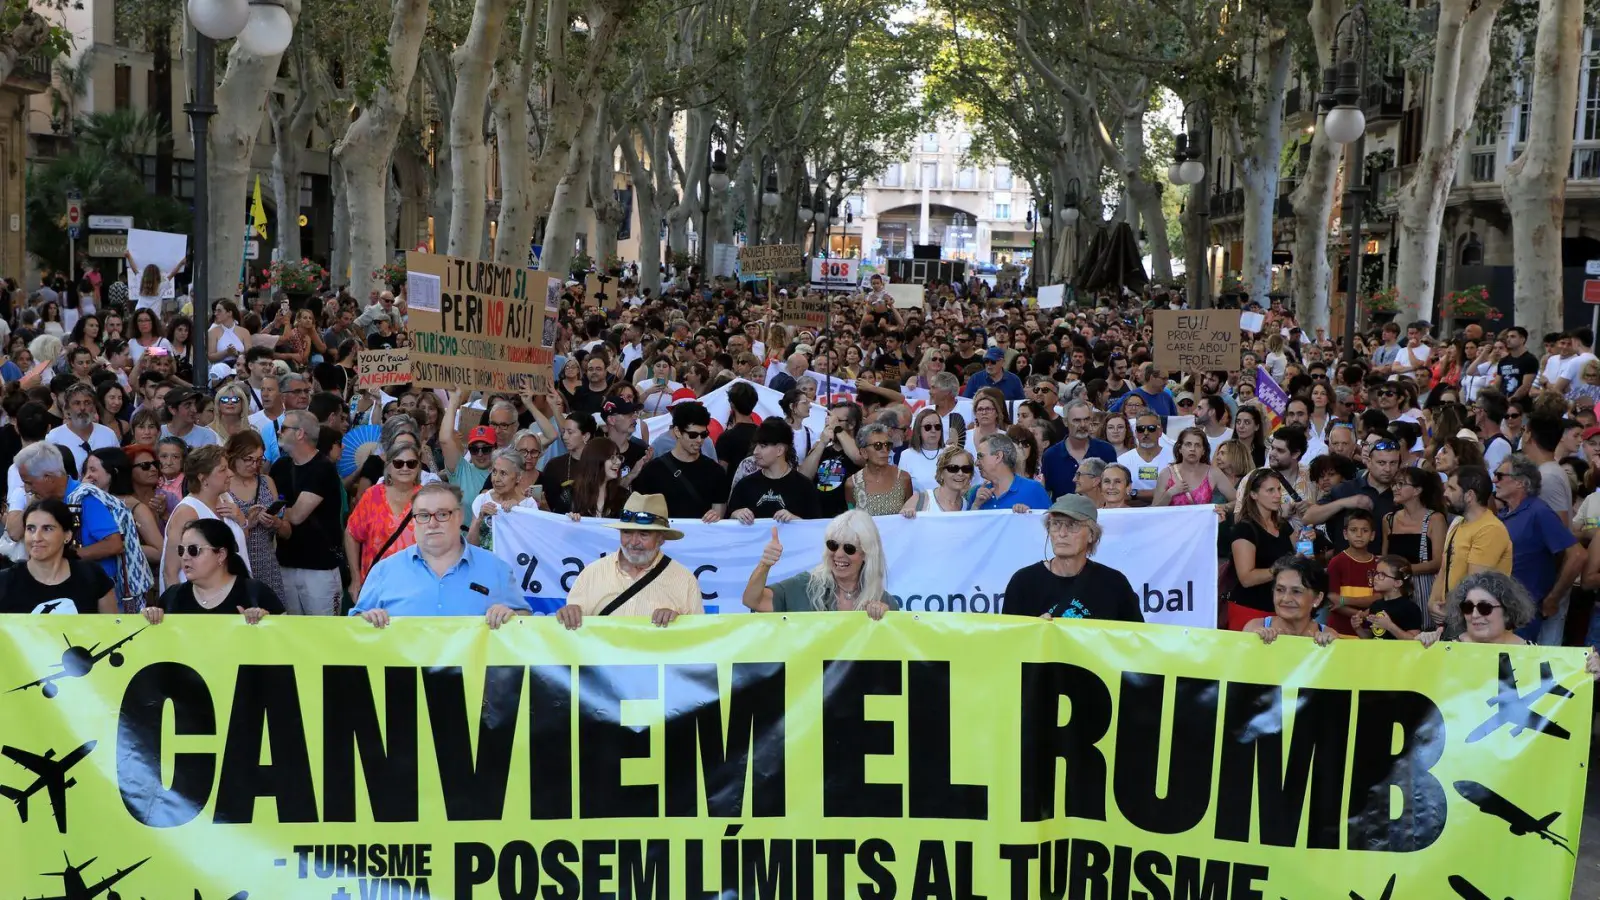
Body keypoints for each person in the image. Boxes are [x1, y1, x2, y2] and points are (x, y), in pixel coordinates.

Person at [352, 483, 530, 627]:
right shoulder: (384, 571)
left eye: (442, 514)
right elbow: (352, 629)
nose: (432, 523)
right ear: (414, 521)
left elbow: (528, 624)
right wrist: (366, 619)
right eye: (423, 515)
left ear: (459, 517)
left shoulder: (496, 568)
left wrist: (512, 617)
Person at [556, 493, 703, 627]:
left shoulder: (685, 581)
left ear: (661, 539)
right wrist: (570, 614)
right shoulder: (592, 573)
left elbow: (697, 638)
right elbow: (573, 635)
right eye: (627, 532)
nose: (633, 542)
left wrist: (678, 623)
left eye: (643, 534)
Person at [1001, 494, 1143, 621]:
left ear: (1091, 535)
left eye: (1072, 525)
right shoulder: (1023, 582)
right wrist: (1034, 631)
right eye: (1056, 524)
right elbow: (1009, 642)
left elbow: (1135, 641)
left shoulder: (1114, 584)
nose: (1062, 533)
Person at [1491, 454, 1583, 644]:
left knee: (1514, 669)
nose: (1494, 480)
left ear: (1519, 483)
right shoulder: (1504, 514)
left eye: (1499, 475)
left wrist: (1553, 598)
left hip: (1522, 613)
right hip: (1498, 608)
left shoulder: (1539, 511)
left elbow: (1578, 555)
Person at [742, 510, 895, 616]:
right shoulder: (804, 586)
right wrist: (764, 565)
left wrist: (886, 619)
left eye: (849, 548)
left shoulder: (884, 601)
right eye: (833, 545)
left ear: (866, 553)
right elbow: (752, 601)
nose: (839, 554)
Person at [269, 410, 344, 615]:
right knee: (292, 635)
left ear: (300, 433)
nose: (279, 432)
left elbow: (297, 516)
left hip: (319, 568)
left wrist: (277, 514)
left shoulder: (323, 468)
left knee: (324, 635)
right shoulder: (280, 467)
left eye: (284, 428)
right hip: (286, 563)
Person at [143, 519, 282, 623]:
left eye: (193, 550)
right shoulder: (172, 597)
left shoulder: (256, 593)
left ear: (221, 555)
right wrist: (151, 617)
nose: (185, 557)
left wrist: (266, 622)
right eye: (181, 550)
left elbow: (287, 640)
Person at [160, 444, 249, 593]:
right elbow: (170, 571)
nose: (230, 474)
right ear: (203, 478)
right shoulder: (187, 513)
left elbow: (239, 544)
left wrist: (241, 520)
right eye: (222, 470)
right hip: (199, 602)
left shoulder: (226, 499)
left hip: (235, 592)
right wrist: (179, 609)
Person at [345, 435, 425, 602]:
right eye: (398, 463)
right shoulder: (372, 495)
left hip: (416, 588)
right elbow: (352, 534)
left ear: (418, 467)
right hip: (375, 586)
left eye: (411, 463)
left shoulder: (427, 498)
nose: (405, 468)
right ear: (388, 466)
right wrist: (355, 578)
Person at [1428, 466, 1514, 621]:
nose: (1445, 493)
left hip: (1479, 620)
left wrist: (1451, 612)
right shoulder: (1457, 522)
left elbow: (1474, 583)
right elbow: (1444, 568)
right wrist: (1432, 602)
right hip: (1454, 616)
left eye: (1452, 488)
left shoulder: (1490, 529)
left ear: (1469, 495)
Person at [0, 499, 115, 614]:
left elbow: (112, 628)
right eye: (30, 529)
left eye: (47, 529)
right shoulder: (5, 582)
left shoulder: (92, 575)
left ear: (67, 535)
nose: (36, 537)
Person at [630, 401, 728, 522]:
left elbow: (719, 514)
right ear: (677, 432)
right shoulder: (653, 471)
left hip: (702, 538)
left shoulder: (716, 472)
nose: (699, 440)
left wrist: (715, 517)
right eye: (693, 435)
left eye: (704, 434)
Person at [219, 429, 286, 602]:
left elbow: (287, 531)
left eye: (259, 460)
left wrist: (276, 522)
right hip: (235, 564)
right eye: (248, 459)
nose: (254, 465)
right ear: (233, 456)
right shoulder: (223, 486)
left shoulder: (266, 482)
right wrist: (246, 522)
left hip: (266, 564)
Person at [1228, 468, 1295, 630]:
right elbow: (1246, 578)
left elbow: (1298, 558)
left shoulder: (1283, 526)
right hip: (1250, 609)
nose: (1278, 495)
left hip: (1280, 611)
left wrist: (1308, 543)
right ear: (1253, 495)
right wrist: (1282, 569)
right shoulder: (1245, 529)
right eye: (1270, 490)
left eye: (1279, 489)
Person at [1306, 439, 1401, 551]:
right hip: (1345, 565)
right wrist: (1344, 503)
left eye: (1393, 463)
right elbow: (1308, 518)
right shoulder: (1345, 489)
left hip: (1385, 565)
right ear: (1369, 462)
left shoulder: (1403, 493)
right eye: (1381, 463)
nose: (1388, 469)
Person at [1381, 466, 1447, 620]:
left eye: (1401, 484)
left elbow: (1438, 562)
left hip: (1424, 589)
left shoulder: (1435, 519)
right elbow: (1385, 559)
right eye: (1394, 484)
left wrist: (1403, 571)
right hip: (1394, 589)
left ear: (1417, 491)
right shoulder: (1388, 520)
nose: (1395, 488)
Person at [728, 419, 822, 523]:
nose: (755, 452)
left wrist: (796, 521)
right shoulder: (745, 485)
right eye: (756, 445)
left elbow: (815, 528)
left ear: (780, 450)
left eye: (763, 446)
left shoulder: (804, 486)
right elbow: (728, 521)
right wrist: (736, 514)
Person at [1419, 571, 1539, 647]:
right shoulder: (1446, 649)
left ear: (1507, 612)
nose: (1474, 615)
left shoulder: (1532, 655)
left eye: (1485, 607)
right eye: (1468, 607)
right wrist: (1422, 646)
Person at [1242, 555, 1339, 646]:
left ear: (1317, 598)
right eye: (1280, 590)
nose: (1286, 598)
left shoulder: (1328, 635)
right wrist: (1254, 643)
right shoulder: (1254, 628)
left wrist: (1327, 648)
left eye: (1296, 591)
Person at [1041, 399, 1117, 498]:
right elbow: (1046, 493)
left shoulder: (1106, 450)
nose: (1082, 425)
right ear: (1065, 422)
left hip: (1099, 512)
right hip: (1063, 512)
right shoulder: (1050, 456)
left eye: (1086, 419)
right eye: (1077, 420)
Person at [1324, 509, 1380, 635]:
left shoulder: (1378, 564)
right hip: (1339, 631)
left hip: (1368, 632)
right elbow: (1333, 600)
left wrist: (1343, 600)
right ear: (1345, 534)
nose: (1359, 535)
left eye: (1365, 530)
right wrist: (1363, 615)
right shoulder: (1336, 562)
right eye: (1353, 530)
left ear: (1372, 535)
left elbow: (1378, 598)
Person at [1153, 427, 1235, 507]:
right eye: (1188, 444)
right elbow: (1152, 512)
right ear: (1180, 449)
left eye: (1197, 445)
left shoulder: (1213, 473)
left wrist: (1223, 508)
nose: (1192, 449)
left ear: (1203, 451)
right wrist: (1169, 493)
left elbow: (1237, 501)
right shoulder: (1166, 474)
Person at [47, 381, 118, 472]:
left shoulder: (108, 435)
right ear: (67, 408)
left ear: (94, 407)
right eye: (77, 403)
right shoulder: (54, 438)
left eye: (87, 403)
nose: (82, 408)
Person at [970, 432, 1050, 511]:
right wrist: (976, 505)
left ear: (998, 457)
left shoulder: (1034, 490)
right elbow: (967, 523)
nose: (976, 463)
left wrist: (1028, 515)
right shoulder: (977, 493)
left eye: (980, 456)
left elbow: (1050, 522)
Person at [1351, 557, 1425, 640]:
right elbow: (1371, 638)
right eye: (1376, 573)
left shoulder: (1410, 608)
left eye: (1382, 575)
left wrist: (1390, 626)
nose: (1375, 577)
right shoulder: (1375, 606)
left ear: (1397, 583)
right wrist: (1358, 628)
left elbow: (1414, 640)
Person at [846, 423, 913, 514]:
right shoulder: (852, 484)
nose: (884, 450)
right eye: (878, 445)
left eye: (887, 445)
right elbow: (853, 518)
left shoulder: (903, 478)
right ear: (864, 452)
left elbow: (911, 517)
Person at [900, 445, 976, 516]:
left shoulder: (967, 506)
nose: (960, 473)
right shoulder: (920, 500)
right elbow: (899, 526)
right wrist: (905, 515)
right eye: (953, 468)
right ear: (941, 472)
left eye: (966, 469)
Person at [1116, 412, 1175, 503]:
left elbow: (1177, 491)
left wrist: (1135, 494)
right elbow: (1118, 493)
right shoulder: (1122, 461)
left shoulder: (1174, 458)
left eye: (1151, 428)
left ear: (1160, 432)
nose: (1146, 433)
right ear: (1135, 433)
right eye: (1141, 429)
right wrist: (1160, 493)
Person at [566, 440, 630, 518]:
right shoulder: (570, 494)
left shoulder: (622, 496)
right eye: (612, 457)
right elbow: (555, 525)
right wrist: (568, 520)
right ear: (596, 461)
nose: (618, 462)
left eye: (618, 457)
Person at [960, 347, 1025, 400]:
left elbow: (1020, 403)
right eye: (986, 361)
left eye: (993, 362)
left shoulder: (1014, 380)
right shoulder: (975, 378)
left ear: (1002, 362)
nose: (989, 364)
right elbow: (966, 401)